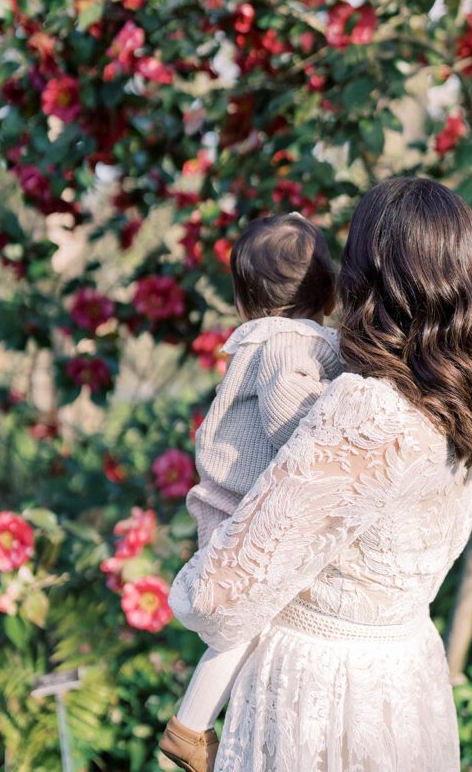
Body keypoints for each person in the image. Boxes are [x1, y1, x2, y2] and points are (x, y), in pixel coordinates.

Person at [168, 177, 472, 772]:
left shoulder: (367, 408)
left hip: (318, 690)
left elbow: (219, 597)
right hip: (407, 679)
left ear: (367, 278)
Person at [160, 213, 343, 772]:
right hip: (242, 509)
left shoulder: (280, 338)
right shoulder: (290, 343)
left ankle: (199, 724)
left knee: (249, 622)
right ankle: (189, 729)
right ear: (330, 291)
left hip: (238, 499)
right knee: (243, 622)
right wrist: (338, 429)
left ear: (244, 302)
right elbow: (289, 418)